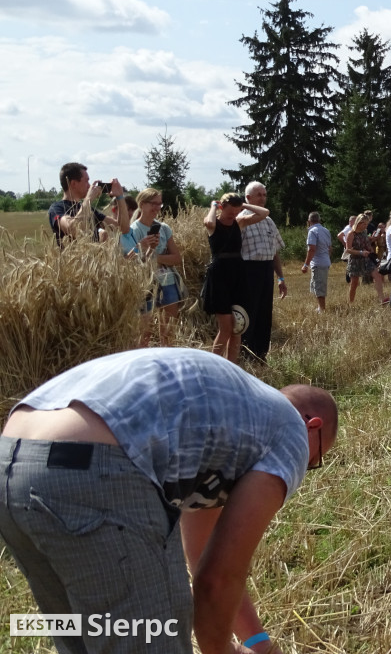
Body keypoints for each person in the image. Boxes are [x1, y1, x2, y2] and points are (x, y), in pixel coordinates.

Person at [0, 347, 338, 654]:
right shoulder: (291, 430)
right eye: (314, 461)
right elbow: (217, 579)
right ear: (314, 425)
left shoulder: (235, 415)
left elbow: (203, 554)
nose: (302, 471)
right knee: (151, 636)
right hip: (91, 467)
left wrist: (256, 644)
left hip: (12, 459)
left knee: (86, 636)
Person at [203, 193, 270, 362]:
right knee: (225, 327)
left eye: (236, 211)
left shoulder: (239, 223)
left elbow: (264, 213)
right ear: (222, 207)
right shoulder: (214, 225)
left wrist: (245, 206)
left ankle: (232, 366)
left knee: (237, 327)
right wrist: (213, 205)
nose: (233, 214)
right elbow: (209, 222)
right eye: (230, 211)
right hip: (219, 275)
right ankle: (215, 365)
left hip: (238, 273)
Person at [239, 182, 288, 362]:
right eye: (258, 194)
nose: (262, 198)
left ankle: (260, 355)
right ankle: (245, 354)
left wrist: (280, 277)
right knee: (248, 313)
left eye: (264, 194)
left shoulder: (268, 221)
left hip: (266, 270)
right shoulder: (240, 220)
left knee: (264, 313)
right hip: (248, 271)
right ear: (248, 198)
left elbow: (274, 252)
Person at [131, 188, 185, 347]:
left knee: (168, 331)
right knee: (144, 332)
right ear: (142, 204)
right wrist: (156, 257)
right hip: (145, 284)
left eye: (159, 204)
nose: (157, 208)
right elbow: (133, 262)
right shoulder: (133, 230)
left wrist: (154, 257)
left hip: (167, 281)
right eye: (153, 204)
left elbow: (176, 258)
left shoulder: (164, 228)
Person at [48, 162, 129, 246]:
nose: (89, 186)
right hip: (73, 258)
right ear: (73, 184)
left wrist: (120, 197)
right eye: (86, 181)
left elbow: (122, 229)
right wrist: (88, 199)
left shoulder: (88, 209)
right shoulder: (57, 208)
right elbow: (72, 229)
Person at [345, 214, 387, 305]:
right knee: (354, 283)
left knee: (377, 276)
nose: (366, 226)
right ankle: (350, 303)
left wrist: (373, 239)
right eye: (364, 224)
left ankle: (382, 299)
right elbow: (348, 250)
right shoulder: (351, 234)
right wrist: (360, 252)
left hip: (367, 259)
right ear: (359, 223)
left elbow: (367, 242)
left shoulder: (364, 232)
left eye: (367, 224)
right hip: (355, 261)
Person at [301, 212, 332, 314]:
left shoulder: (312, 231)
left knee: (319, 287)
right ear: (319, 220)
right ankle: (319, 307)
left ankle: (322, 310)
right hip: (325, 261)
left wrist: (306, 264)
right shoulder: (326, 230)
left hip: (318, 262)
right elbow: (330, 248)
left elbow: (311, 249)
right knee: (315, 285)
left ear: (309, 221)